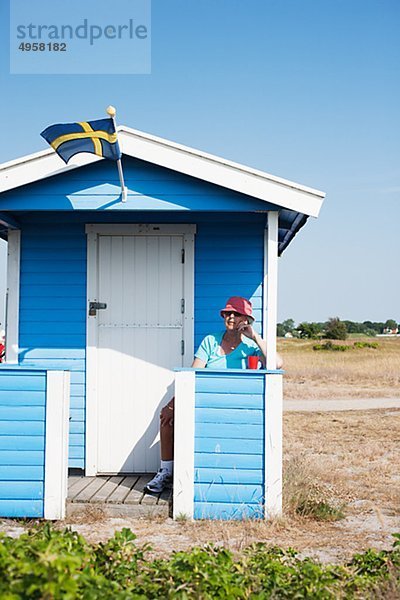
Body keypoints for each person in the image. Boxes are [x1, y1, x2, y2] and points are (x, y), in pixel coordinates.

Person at [144, 296, 283, 493]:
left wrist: (256, 338)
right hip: (205, 400)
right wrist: (173, 405)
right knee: (167, 416)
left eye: (236, 313)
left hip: (236, 406)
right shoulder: (211, 341)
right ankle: (166, 472)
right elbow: (192, 374)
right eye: (227, 313)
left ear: (247, 319)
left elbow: (277, 363)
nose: (231, 317)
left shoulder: (252, 346)